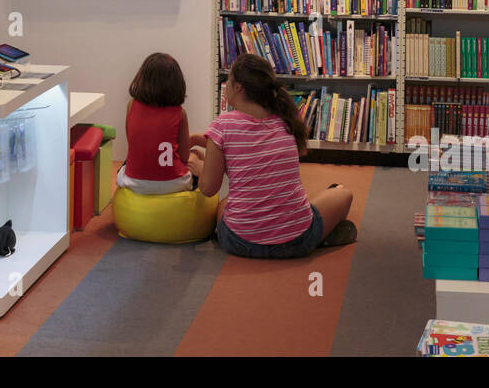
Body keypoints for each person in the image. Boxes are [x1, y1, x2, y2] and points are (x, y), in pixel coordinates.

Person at [200, 53, 355, 257]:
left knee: (224, 204)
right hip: (298, 241)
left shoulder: (221, 126)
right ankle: (319, 233)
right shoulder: (285, 121)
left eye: (228, 80)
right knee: (343, 193)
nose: (226, 85)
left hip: (240, 242)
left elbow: (208, 189)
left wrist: (200, 166)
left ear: (238, 87)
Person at [116, 53, 204, 195]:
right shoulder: (180, 113)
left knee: (123, 166)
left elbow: (132, 143)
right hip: (173, 182)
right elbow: (183, 157)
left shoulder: (131, 106)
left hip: (134, 183)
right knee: (197, 155)